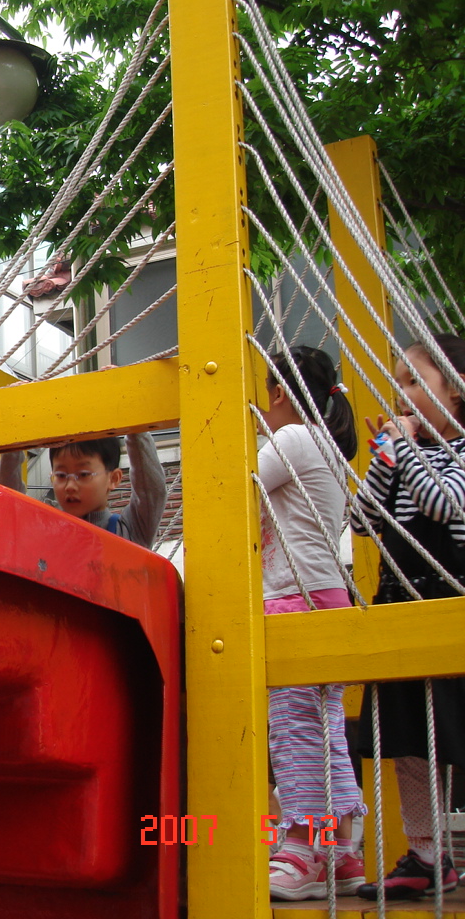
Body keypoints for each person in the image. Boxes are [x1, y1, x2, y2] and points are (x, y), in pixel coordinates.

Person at [351, 334, 465, 901]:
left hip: (445, 602)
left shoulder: (459, 452)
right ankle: (425, 852)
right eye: (399, 381)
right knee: (409, 740)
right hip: (399, 601)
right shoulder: (405, 453)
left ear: (456, 389)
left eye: (415, 381)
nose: (402, 393)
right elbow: (361, 520)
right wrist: (385, 460)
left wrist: (409, 452)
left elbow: (445, 504)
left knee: (453, 730)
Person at [256, 347, 366, 901]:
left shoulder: (294, 438)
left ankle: (301, 848)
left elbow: (231, 487)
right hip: (325, 596)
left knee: (294, 731)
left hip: (294, 599)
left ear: (278, 392)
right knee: (326, 734)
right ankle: (340, 851)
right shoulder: (323, 443)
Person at [0, 431, 166, 549]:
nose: (70, 486)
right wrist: (14, 435)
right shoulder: (42, 528)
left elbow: (152, 492)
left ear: (113, 478)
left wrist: (135, 430)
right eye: (61, 475)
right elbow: (8, 500)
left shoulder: (131, 532)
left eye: (84, 474)